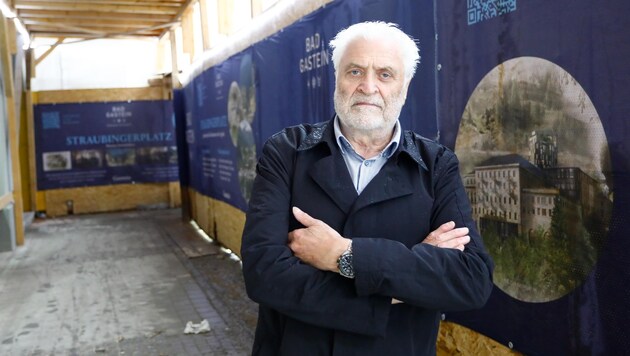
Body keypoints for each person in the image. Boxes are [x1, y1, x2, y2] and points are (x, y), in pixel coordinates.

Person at [240, 21, 494, 355]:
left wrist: (344, 255)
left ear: (405, 86)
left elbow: (471, 280)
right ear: (337, 79)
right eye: (355, 71)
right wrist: (398, 286)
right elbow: (263, 272)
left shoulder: (436, 166)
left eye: (385, 74)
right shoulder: (287, 153)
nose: (368, 86)